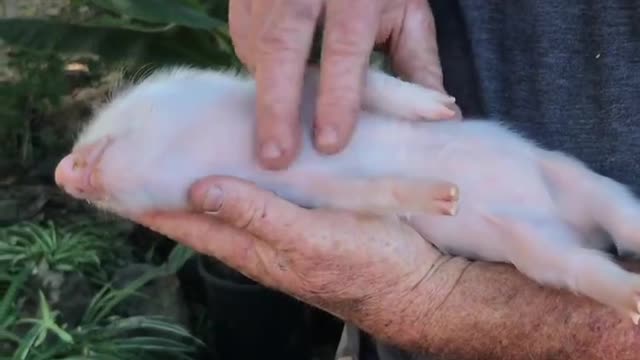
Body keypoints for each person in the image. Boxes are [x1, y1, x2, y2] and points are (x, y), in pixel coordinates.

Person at [133, 1, 640, 359]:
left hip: (503, 166)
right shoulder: (303, 176)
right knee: (539, 244)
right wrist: (409, 196)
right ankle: (616, 285)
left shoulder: (299, 106)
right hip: (488, 218)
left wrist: (436, 296)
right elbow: (368, 194)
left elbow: (376, 88)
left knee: (593, 195)